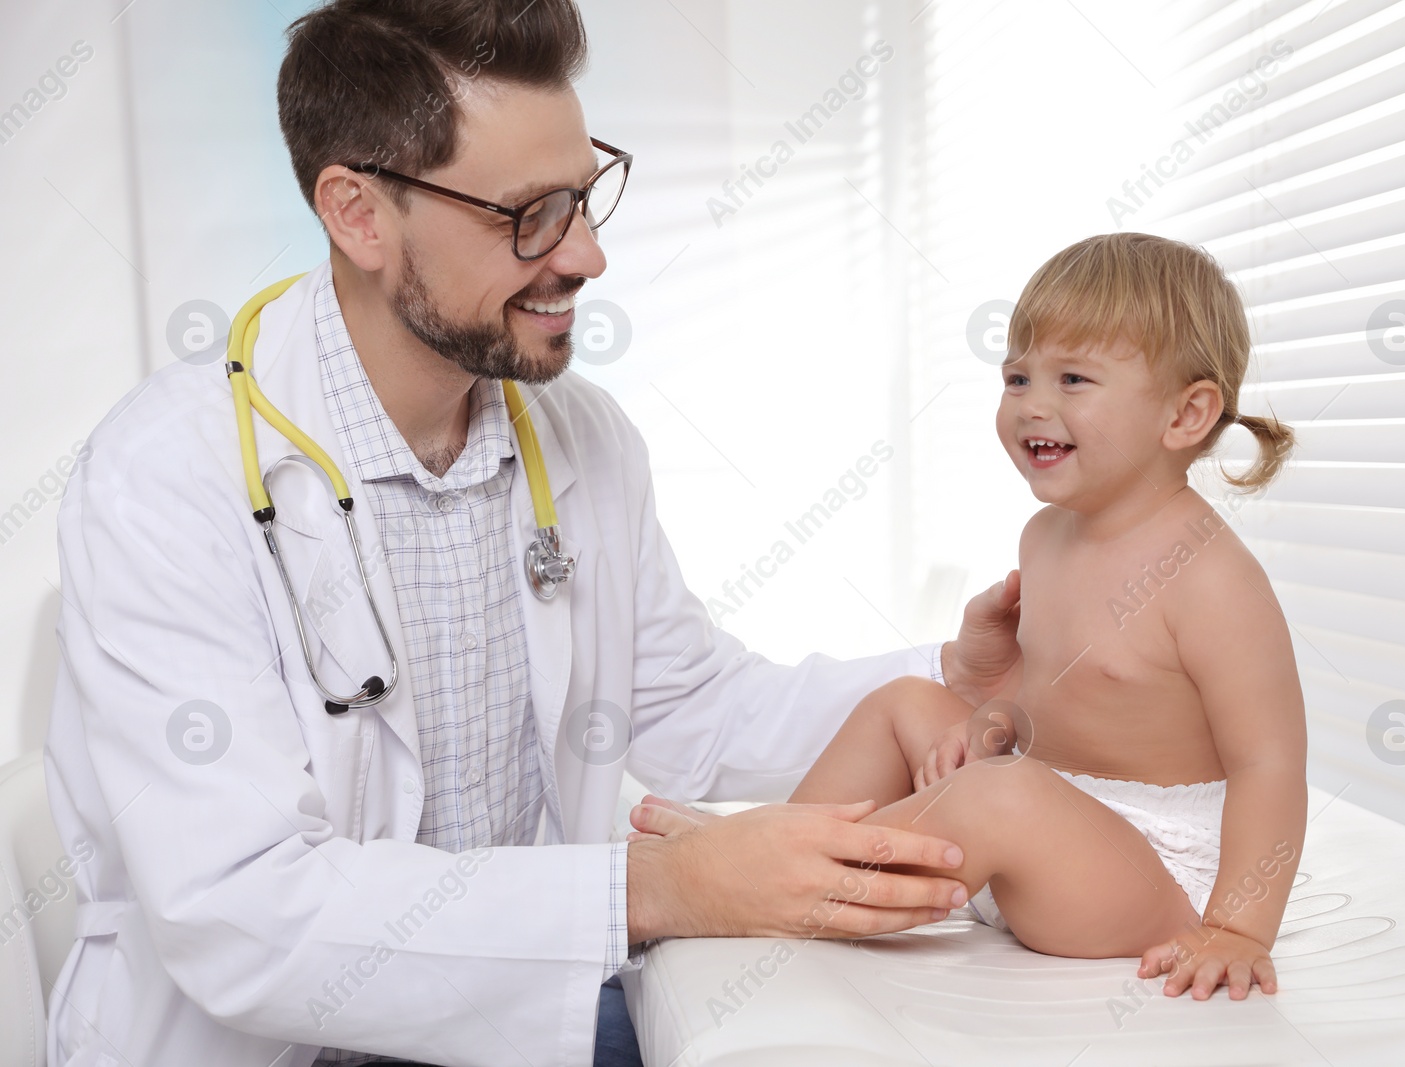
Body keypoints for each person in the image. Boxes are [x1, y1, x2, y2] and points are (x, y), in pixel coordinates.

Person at [41, 2, 1020, 1064]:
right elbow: (242, 912)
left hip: (506, 1026)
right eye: (530, 216)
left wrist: (952, 669)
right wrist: (655, 886)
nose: (588, 255)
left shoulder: (580, 440)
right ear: (358, 213)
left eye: (586, 197)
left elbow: (686, 702)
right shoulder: (163, 478)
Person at [635, 232, 1309, 1002]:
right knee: (905, 703)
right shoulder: (1047, 536)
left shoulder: (1213, 578)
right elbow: (1054, 700)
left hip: (1153, 865)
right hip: (1049, 816)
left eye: (1074, 378)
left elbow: (1271, 763)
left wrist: (1237, 926)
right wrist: (989, 722)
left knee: (1003, 793)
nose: (1032, 404)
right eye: (1017, 376)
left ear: (1186, 414)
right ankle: (780, 852)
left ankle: (797, 883)